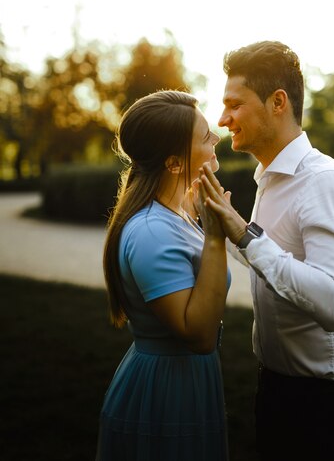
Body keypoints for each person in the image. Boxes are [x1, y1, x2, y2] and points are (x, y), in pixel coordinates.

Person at [198, 41, 334, 461]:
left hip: (320, 403)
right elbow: (273, 258)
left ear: (278, 102)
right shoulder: (270, 179)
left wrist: (244, 233)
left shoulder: (324, 182)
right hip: (274, 387)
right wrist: (228, 230)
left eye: (234, 105)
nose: (223, 120)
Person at [96, 90, 230, 461]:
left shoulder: (180, 213)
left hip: (188, 382)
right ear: (174, 163)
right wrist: (216, 238)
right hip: (165, 392)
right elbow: (200, 335)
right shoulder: (152, 231)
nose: (217, 137)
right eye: (205, 136)